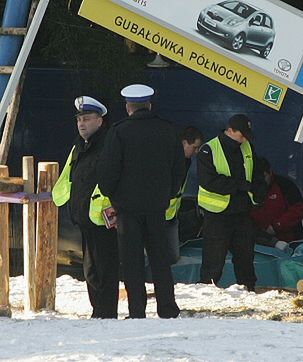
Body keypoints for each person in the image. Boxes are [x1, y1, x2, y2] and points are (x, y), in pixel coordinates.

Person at [97, 84, 185, 319]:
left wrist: (113, 196)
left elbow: (108, 172)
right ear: (149, 105)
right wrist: (168, 193)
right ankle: (167, 307)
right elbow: (179, 168)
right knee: (160, 259)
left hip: (127, 209)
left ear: (128, 107)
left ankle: (137, 310)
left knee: (132, 262)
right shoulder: (167, 130)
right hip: (157, 207)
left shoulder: (119, 132)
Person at [52, 96, 119, 319]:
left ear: (100, 120)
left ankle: (106, 312)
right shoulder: (80, 146)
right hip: (84, 217)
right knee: (90, 269)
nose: (82, 124)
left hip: (104, 218)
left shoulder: (109, 143)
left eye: (87, 119)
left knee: (105, 267)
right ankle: (97, 310)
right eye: (79, 119)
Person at [197, 114, 266, 291]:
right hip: (218, 214)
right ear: (230, 130)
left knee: (245, 257)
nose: (244, 140)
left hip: (242, 212)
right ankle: (208, 292)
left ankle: (248, 289)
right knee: (214, 259)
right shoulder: (209, 149)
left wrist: (258, 192)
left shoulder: (247, 147)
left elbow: (256, 173)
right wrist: (241, 186)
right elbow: (209, 181)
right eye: (241, 135)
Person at [164, 126, 204, 264]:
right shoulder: (168, 159)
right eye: (195, 147)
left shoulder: (186, 161)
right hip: (158, 213)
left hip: (171, 214)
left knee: (172, 255)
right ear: (184, 142)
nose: (196, 151)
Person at [250, 158, 303, 251]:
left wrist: (276, 226)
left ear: (270, 172)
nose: (261, 182)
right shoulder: (249, 189)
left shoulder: (285, 185)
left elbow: (298, 210)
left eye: (264, 177)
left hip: (289, 242)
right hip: (259, 243)